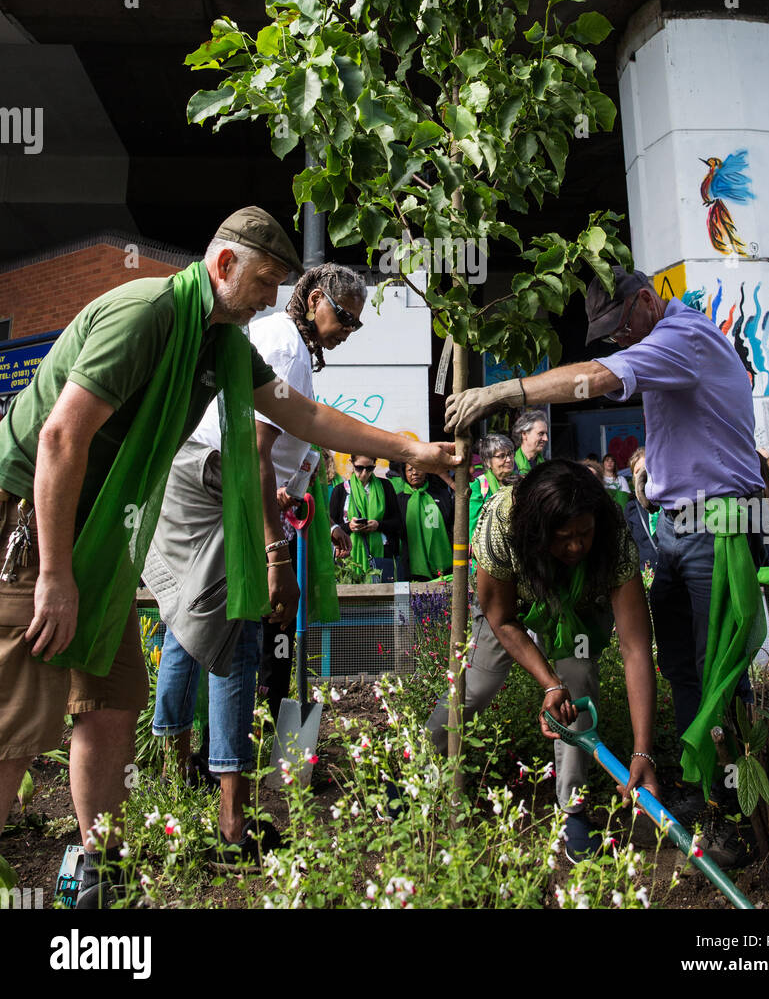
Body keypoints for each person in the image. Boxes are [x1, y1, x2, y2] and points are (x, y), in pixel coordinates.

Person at [0, 207, 457, 905]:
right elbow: (61, 439)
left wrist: (410, 448)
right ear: (222, 266)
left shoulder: (220, 343)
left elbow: (305, 418)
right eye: (266, 281)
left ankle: (100, 873)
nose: (273, 300)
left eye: (282, 284)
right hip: (37, 524)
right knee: (20, 719)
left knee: (111, 699)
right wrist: (56, 576)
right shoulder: (146, 315)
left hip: (103, 531)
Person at [446, 265, 766, 827]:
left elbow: (592, 379)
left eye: (621, 328)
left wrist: (503, 391)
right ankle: (700, 786)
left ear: (647, 300)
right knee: (684, 667)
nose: (620, 342)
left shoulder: (680, 336)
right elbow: (504, 620)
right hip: (675, 526)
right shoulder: (501, 523)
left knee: (716, 671)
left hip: (713, 528)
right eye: (611, 336)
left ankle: (732, 807)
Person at [145, 263, 366, 854]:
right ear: (316, 300)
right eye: (344, 318)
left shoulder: (272, 335)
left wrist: (286, 496)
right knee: (237, 640)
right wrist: (275, 556)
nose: (348, 330)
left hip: (202, 481)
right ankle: (233, 824)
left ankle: (176, 770)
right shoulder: (287, 346)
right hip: (226, 492)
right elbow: (256, 451)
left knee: (186, 631)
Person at [426, 460, 659, 862]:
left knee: (579, 679)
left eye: (583, 534)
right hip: (516, 600)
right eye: (563, 537)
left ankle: (572, 808)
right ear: (537, 531)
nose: (575, 546)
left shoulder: (613, 533)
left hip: (579, 601)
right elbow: (501, 618)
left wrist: (643, 752)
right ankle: (422, 764)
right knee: (475, 686)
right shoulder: (502, 521)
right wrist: (548, 682)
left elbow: (636, 647)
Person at [330, 455, 405, 581]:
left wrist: (378, 525)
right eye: (359, 468)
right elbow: (332, 526)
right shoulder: (340, 490)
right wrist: (349, 526)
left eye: (370, 468)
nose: (364, 473)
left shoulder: (386, 486)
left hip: (382, 555)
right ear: (352, 464)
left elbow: (398, 523)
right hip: (349, 557)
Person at [394, 461, 454, 580]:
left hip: (441, 557)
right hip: (411, 559)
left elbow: (450, 522)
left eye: (419, 468)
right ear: (404, 474)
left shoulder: (441, 494)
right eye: (410, 470)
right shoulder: (399, 499)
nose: (415, 473)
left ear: (427, 471)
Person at [468, 433, 515, 539]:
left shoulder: (519, 483)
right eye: (501, 456)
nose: (508, 459)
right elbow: (473, 526)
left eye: (510, 454)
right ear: (487, 461)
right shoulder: (478, 486)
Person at [624, 449, 659, 571]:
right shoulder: (631, 509)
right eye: (637, 472)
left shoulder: (670, 504)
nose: (641, 476)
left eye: (645, 469)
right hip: (647, 577)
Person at [511, 409, 548, 474]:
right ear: (524, 434)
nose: (546, 439)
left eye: (546, 434)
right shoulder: (509, 465)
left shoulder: (547, 465)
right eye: (541, 434)